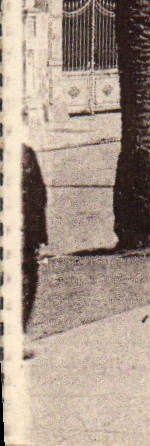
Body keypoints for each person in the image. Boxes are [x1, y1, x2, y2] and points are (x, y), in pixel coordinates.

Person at [22, 135, 47, 337]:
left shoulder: (26, 155)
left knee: (27, 280)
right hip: (25, 236)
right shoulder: (25, 154)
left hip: (26, 236)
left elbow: (38, 197)